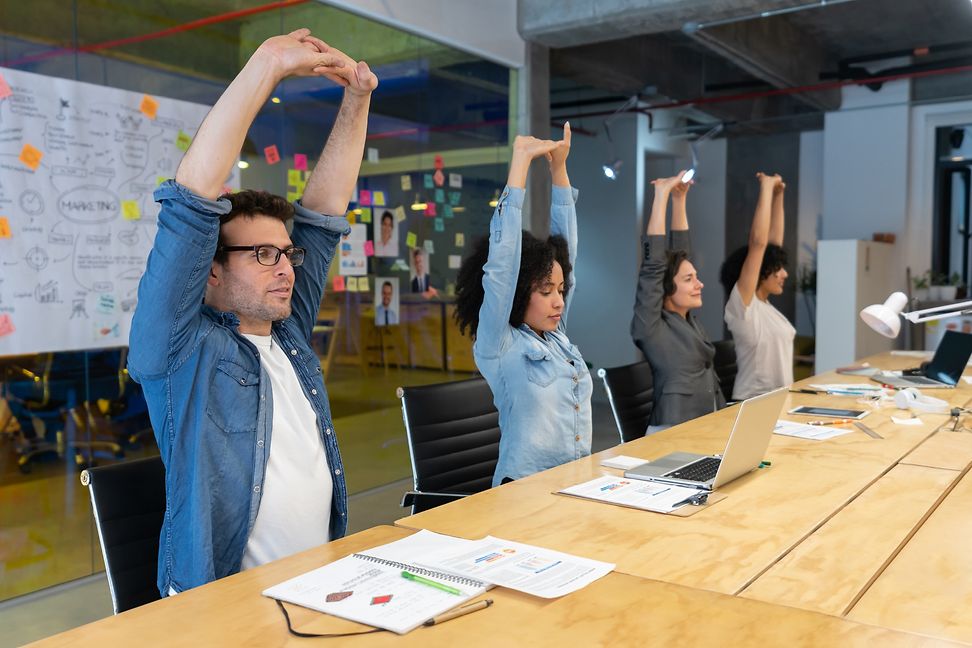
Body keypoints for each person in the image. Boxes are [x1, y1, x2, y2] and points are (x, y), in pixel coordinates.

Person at [127, 29, 377, 595]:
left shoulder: (285, 332)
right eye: (263, 255)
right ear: (210, 269)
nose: (286, 268)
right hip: (226, 603)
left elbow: (323, 215)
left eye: (286, 254)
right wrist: (267, 65)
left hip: (320, 585)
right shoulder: (179, 350)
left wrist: (357, 99)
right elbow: (190, 201)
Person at [454, 123, 591, 486]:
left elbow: (568, 251)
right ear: (518, 293)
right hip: (523, 494)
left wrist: (558, 169)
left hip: (573, 486)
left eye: (561, 290)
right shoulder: (500, 344)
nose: (558, 301)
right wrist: (520, 164)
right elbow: (502, 267)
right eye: (546, 291)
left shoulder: (556, 336)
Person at [631, 171, 724, 432]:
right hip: (672, 434)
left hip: (705, 427)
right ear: (667, 288)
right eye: (689, 280)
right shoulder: (651, 326)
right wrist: (661, 195)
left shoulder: (687, 321)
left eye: (697, 277)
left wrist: (679, 201)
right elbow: (653, 268)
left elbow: (682, 255)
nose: (699, 284)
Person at [720, 173, 794, 400]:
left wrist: (779, 194)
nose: (785, 274)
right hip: (751, 404)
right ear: (759, 271)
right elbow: (759, 244)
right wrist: (765, 187)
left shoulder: (765, 307)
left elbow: (772, 246)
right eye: (777, 268)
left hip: (777, 401)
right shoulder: (743, 307)